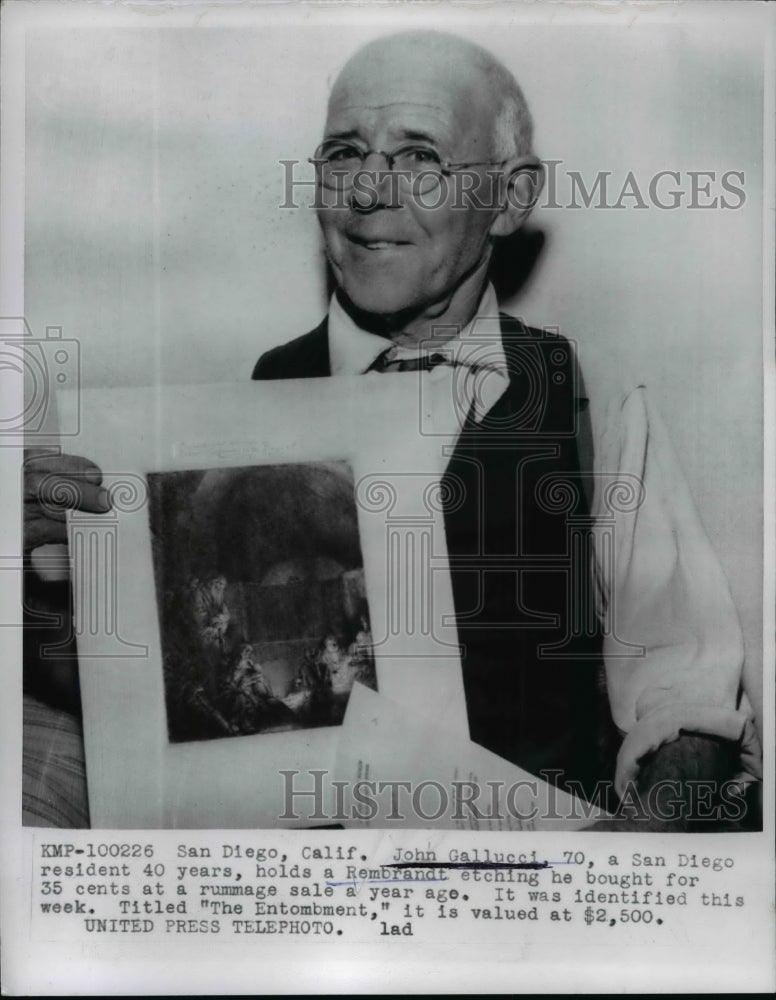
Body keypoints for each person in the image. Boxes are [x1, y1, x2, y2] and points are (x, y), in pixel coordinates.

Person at [23, 29, 761, 828]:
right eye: (344, 154)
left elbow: (685, 698)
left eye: (420, 158)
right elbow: (192, 705)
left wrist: (623, 872)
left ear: (510, 199)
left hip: (530, 902)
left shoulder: (590, 400)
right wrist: (67, 593)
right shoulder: (247, 409)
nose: (368, 192)